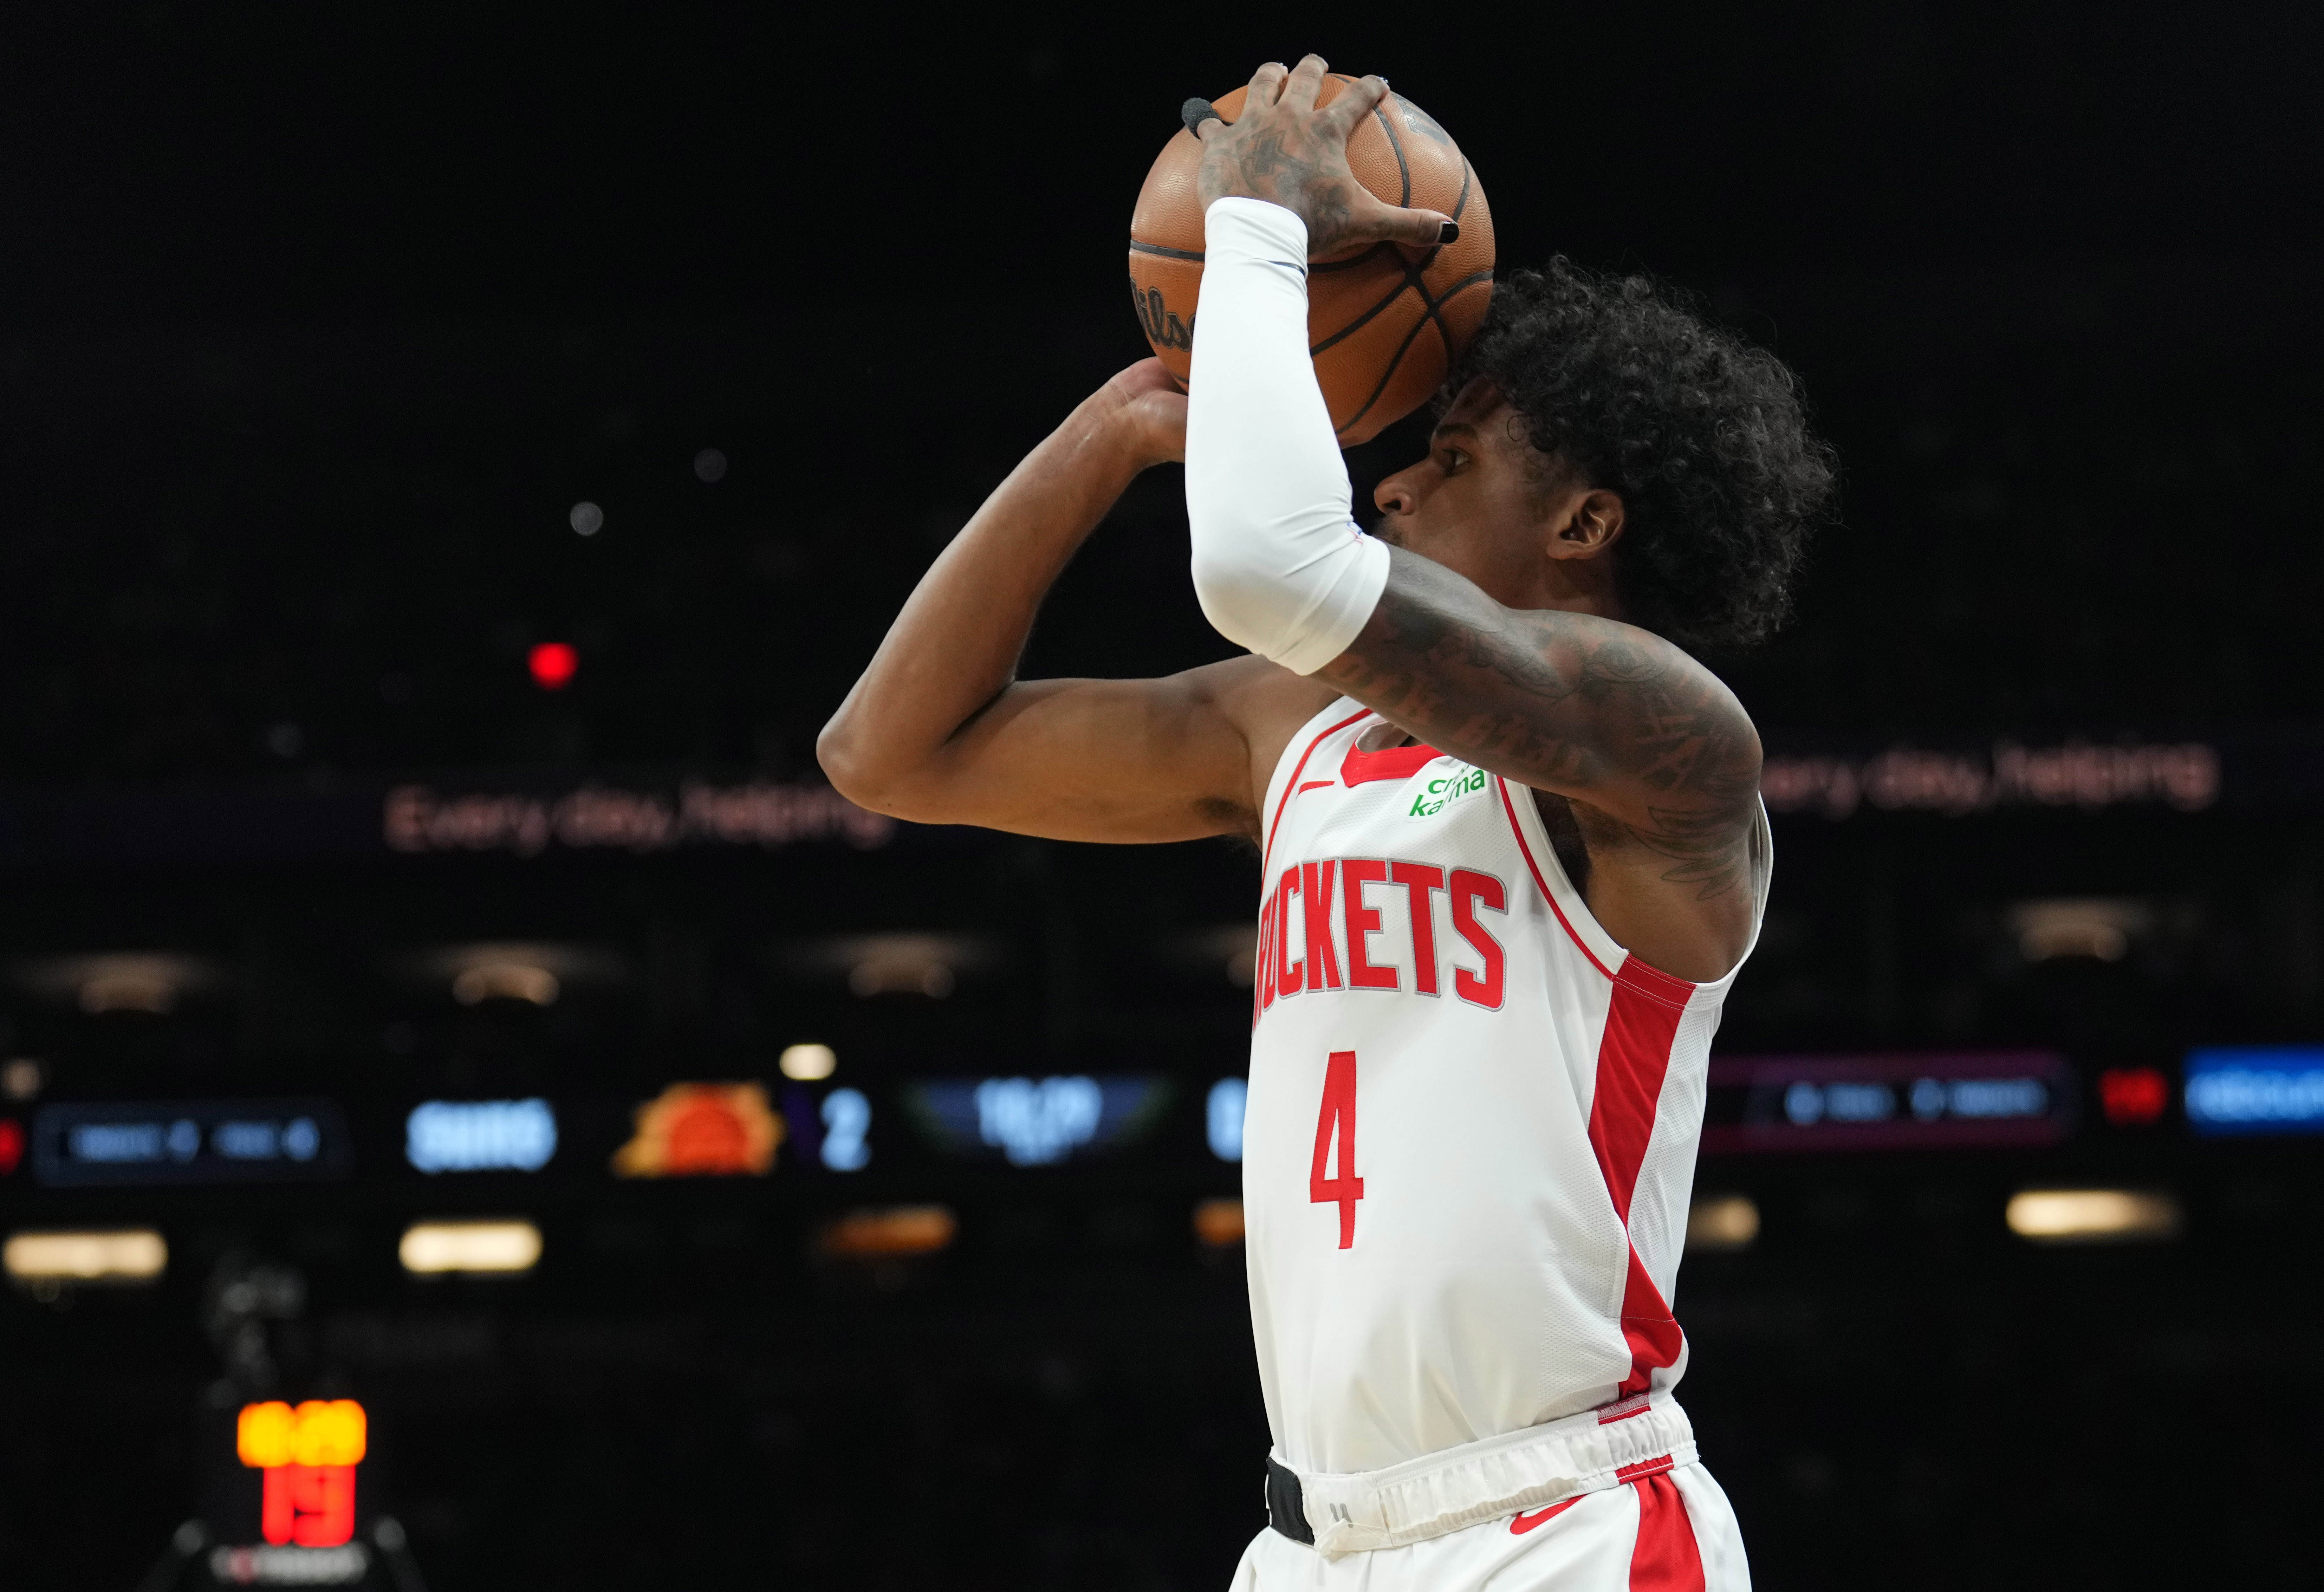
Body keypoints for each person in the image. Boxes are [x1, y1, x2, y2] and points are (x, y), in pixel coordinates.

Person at [820, 54, 1833, 1592]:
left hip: (1564, 1524)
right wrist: (1113, 428)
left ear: (1584, 522)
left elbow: (1267, 564)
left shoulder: (1662, 739)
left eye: (1455, 459)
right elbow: (890, 750)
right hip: (1311, 1538)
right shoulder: (1293, 727)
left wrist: (1261, 233)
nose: (1397, 485)